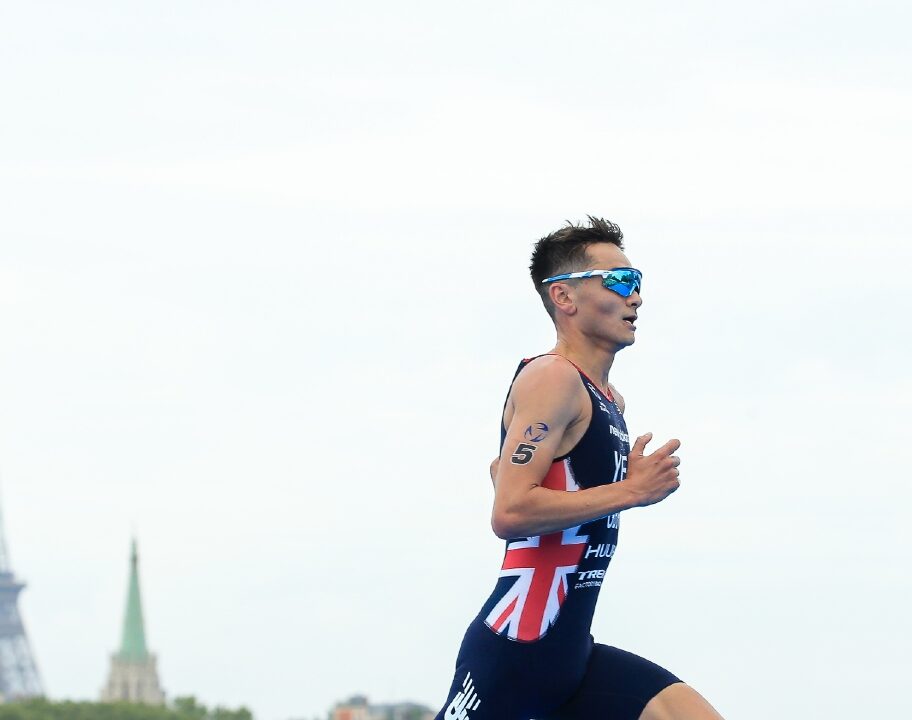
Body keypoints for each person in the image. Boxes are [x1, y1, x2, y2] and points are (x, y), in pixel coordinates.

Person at [434, 217, 724, 720]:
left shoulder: (608, 399)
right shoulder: (552, 378)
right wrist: (631, 491)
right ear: (564, 297)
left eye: (638, 282)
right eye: (619, 281)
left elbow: (502, 474)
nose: (636, 298)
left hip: (571, 655)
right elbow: (511, 511)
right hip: (515, 655)